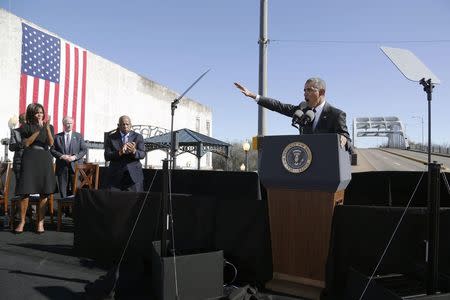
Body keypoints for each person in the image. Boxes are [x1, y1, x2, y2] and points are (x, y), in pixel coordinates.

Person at [234, 77, 351, 148]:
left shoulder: (336, 114)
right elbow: (279, 106)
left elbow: (346, 139)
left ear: (321, 92)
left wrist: (344, 139)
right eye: (304, 90)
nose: (305, 93)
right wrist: (254, 96)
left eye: (309, 90)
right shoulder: (302, 109)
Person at [14, 103, 56, 234]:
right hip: (30, 158)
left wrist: (47, 128)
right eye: (37, 112)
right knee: (25, 191)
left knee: (44, 191)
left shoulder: (49, 126)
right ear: (32, 113)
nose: (40, 115)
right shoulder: (26, 126)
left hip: (44, 158)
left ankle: (40, 222)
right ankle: (22, 221)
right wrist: (38, 130)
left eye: (41, 112)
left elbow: (51, 143)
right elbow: (26, 143)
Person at [104, 115, 145, 192]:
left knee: (135, 201)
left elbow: (142, 154)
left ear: (131, 125)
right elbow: (107, 156)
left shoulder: (138, 137)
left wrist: (134, 151)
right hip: (115, 176)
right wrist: (120, 152)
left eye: (127, 124)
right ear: (118, 125)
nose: (125, 126)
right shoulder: (111, 138)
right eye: (123, 124)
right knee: (114, 201)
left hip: (133, 177)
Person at [50, 116, 87, 198]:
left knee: (76, 190)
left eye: (71, 123)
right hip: (62, 167)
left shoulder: (78, 136)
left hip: (75, 167)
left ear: (73, 124)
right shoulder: (57, 137)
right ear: (63, 124)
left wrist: (75, 157)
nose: (69, 125)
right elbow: (52, 150)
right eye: (67, 123)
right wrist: (62, 156)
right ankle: (63, 210)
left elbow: (84, 150)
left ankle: (74, 210)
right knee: (63, 190)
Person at [9, 113, 26, 189]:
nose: (25, 122)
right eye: (23, 120)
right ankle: (18, 200)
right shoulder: (15, 131)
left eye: (26, 120)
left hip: (31, 162)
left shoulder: (32, 131)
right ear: (20, 121)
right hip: (19, 162)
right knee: (19, 186)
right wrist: (23, 144)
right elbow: (11, 147)